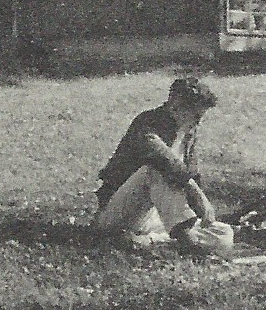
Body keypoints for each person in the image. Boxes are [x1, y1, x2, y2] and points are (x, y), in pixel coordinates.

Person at [94, 76, 221, 250]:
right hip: (119, 213)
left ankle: (151, 241)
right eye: (196, 115)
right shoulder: (147, 123)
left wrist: (203, 214)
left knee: (224, 233)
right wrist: (196, 192)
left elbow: (192, 174)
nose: (198, 122)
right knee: (153, 171)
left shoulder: (188, 133)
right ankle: (184, 240)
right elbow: (164, 161)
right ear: (176, 105)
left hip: (158, 216)